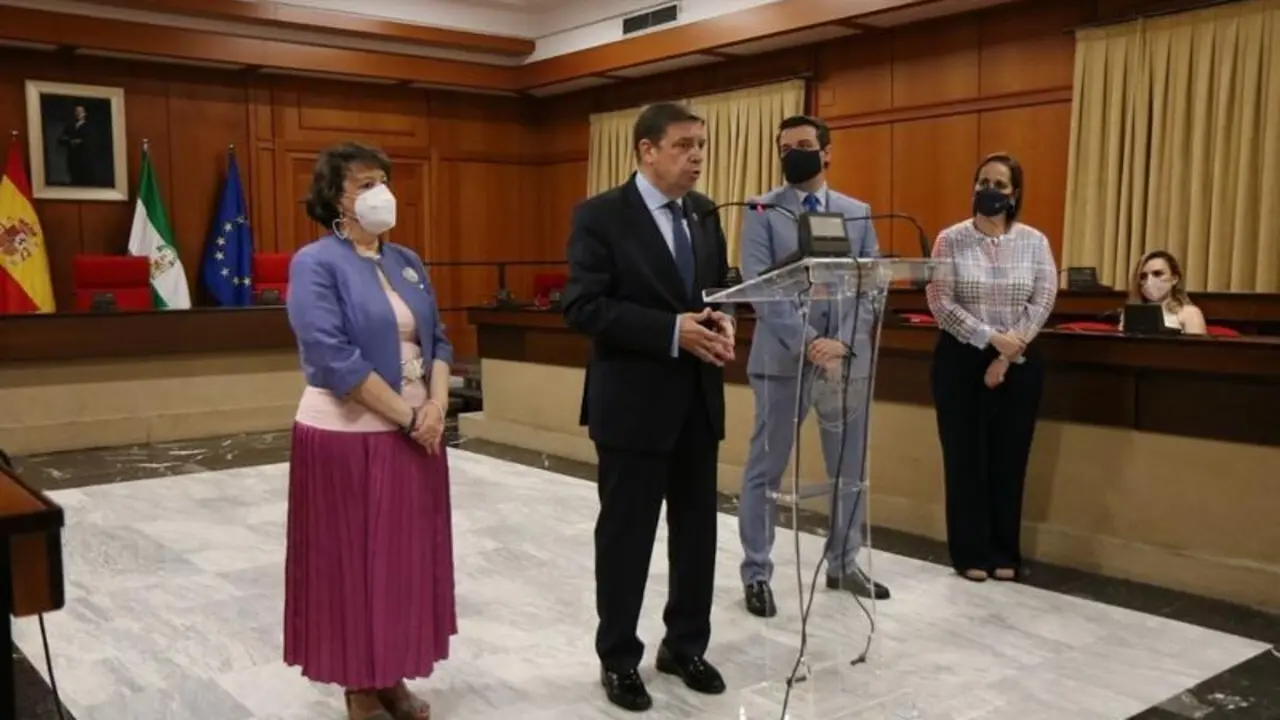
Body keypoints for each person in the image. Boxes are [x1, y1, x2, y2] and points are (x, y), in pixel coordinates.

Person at [562, 102, 736, 712]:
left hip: (698, 402)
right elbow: (583, 307)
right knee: (626, 539)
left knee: (697, 536)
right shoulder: (600, 215)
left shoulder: (705, 212)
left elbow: (717, 287)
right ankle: (618, 657)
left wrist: (723, 319)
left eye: (701, 145)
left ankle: (684, 645)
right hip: (633, 406)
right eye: (684, 145)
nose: (697, 156)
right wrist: (670, 331)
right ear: (646, 149)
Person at [284, 141, 455, 720]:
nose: (380, 193)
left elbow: (438, 341)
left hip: (417, 433)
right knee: (352, 564)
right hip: (348, 435)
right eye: (364, 184)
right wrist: (408, 417)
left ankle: (391, 672)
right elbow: (331, 356)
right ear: (336, 198)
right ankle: (359, 682)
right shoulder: (315, 263)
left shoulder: (406, 260)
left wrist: (436, 407)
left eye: (383, 181)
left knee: (401, 563)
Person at [737, 114, 888, 619]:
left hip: (844, 362)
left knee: (848, 468)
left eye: (803, 144)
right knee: (766, 467)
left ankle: (844, 562)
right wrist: (808, 342)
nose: (793, 154)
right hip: (783, 359)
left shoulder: (856, 212)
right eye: (785, 148)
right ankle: (757, 572)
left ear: (826, 151)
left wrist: (840, 342)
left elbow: (870, 285)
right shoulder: (761, 210)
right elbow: (760, 286)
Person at [925, 152, 1057, 584]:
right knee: (965, 458)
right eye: (983, 182)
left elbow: (1043, 297)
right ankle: (970, 552)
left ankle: (1004, 552)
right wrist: (990, 339)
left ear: (1014, 194)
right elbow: (940, 301)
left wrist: (1006, 353)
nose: (990, 190)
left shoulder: (1034, 241)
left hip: (1019, 360)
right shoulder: (950, 239)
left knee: (1009, 458)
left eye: (1000, 185)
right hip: (961, 359)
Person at [1123, 250, 1206, 335]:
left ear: (1174, 279)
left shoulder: (1190, 313)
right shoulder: (1131, 313)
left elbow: (1196, 343)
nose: (1149, 281)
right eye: (1143, 276)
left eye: (1157, 274)